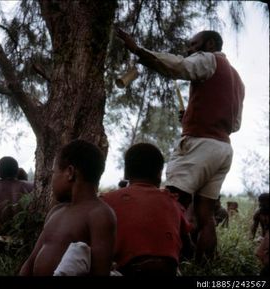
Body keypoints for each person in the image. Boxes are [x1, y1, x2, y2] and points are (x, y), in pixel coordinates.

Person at [117, 29, 245, 263]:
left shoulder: (209, 59)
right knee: (205, 215)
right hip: (223, 149)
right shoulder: (238, 80)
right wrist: (193, 116)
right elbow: (234, 125)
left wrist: (138, 50)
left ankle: (167, 260)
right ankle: (203, 266)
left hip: (199, 145)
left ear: (210, 43)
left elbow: (178, 66)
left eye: (193, 45)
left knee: (173, 204)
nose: (188, 51)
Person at [19, 140, 116, 276]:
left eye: (54, 172)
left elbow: (100, 271)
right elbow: (31, 261)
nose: (52, 179)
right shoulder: (56, 211)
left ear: (70, 172)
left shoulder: (99, 214)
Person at [102, 143, 192, 276]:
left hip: (125, 270)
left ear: (126, 172)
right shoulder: (172, 201)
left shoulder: (107, 201)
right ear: (159, 174)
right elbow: (188, 250)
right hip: (167, 271)